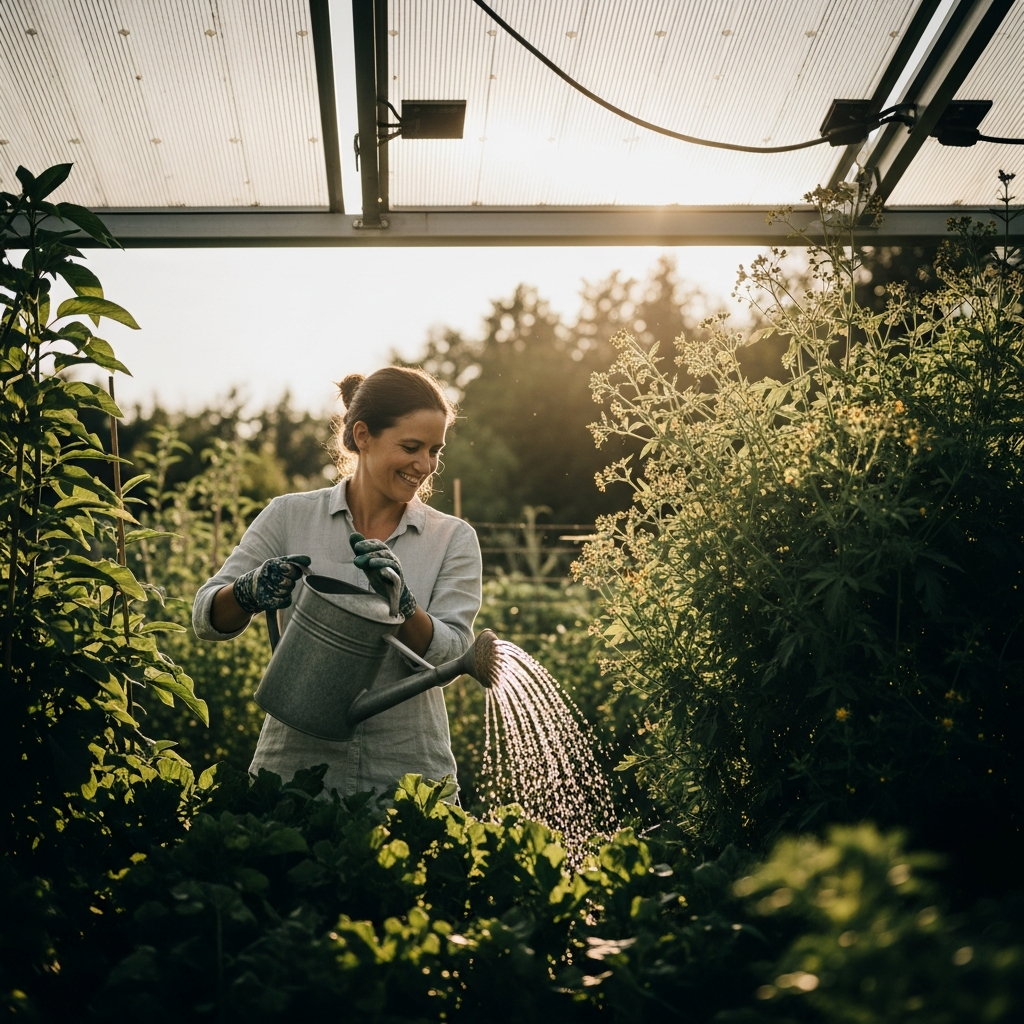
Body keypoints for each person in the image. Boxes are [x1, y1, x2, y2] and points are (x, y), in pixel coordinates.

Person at [192, 367, 482, 802]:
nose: (424, 466)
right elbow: (206, 617)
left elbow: (452, 652)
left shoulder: (452, 538)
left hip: (408, 772)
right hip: (294, 767)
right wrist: (249, 592)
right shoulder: (289, 516)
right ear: (363, 436)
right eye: (411, 447)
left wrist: (403, 605)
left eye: (434, 450)